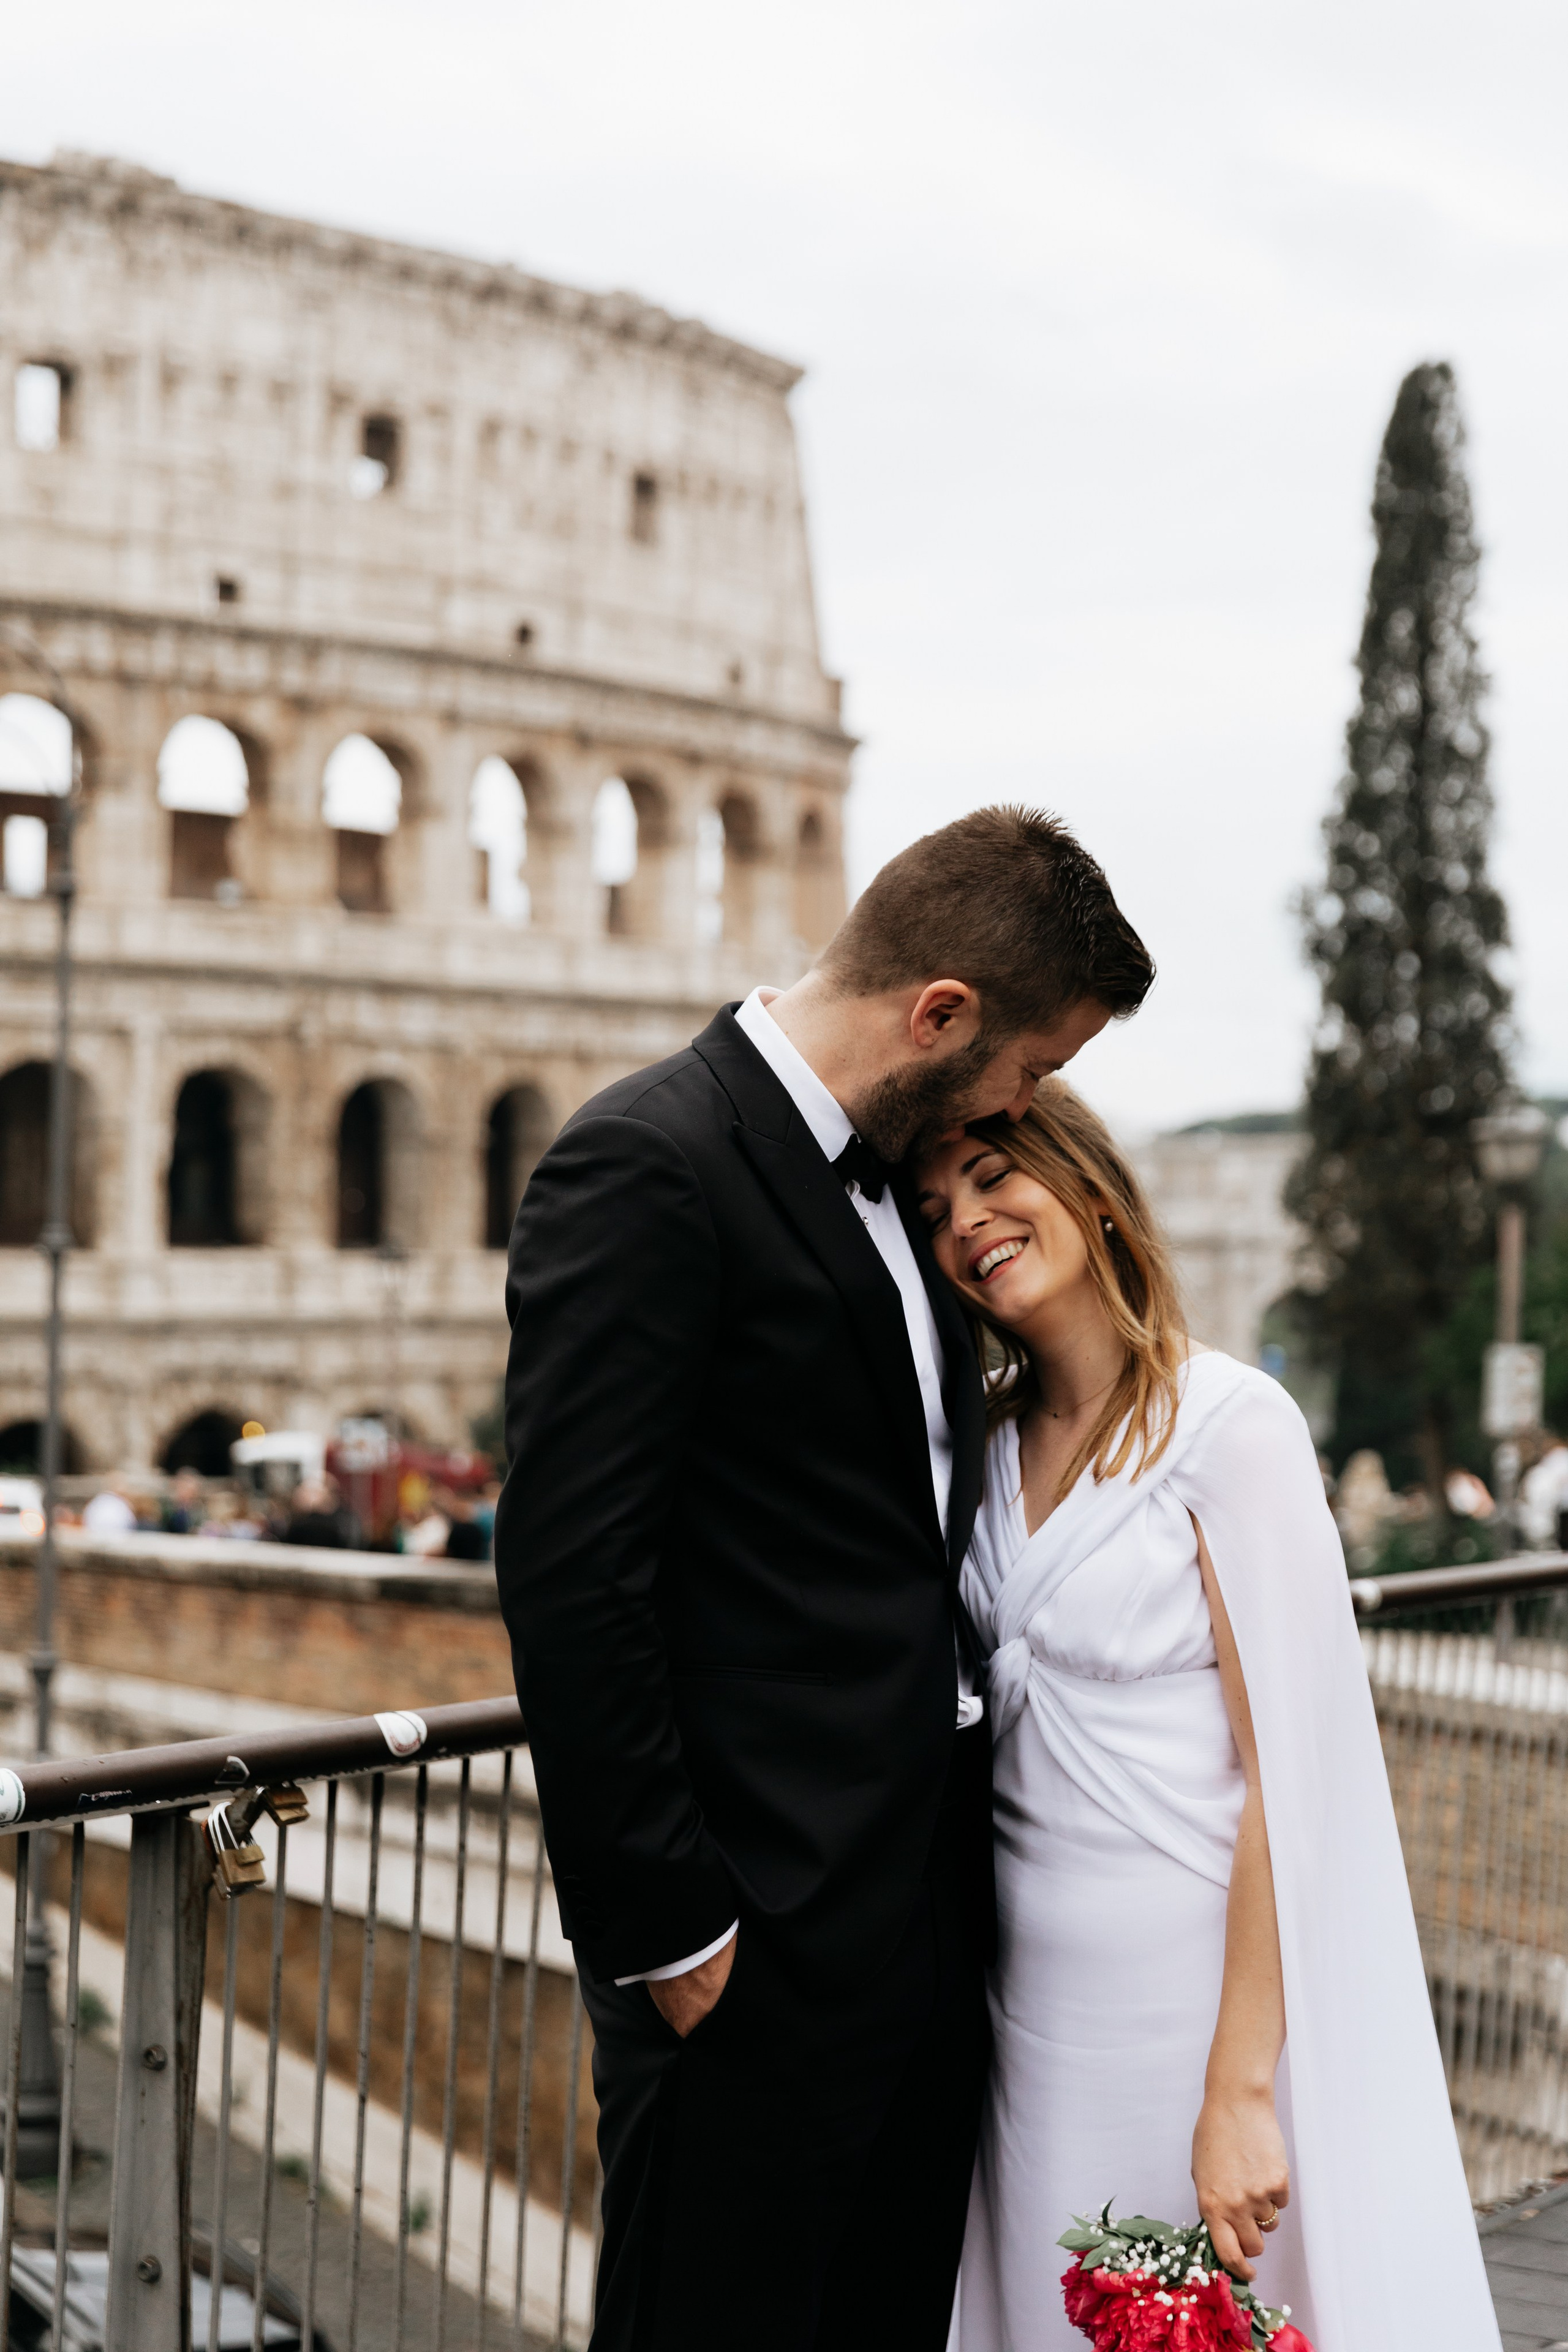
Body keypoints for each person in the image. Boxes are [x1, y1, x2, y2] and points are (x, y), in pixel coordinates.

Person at [493, 807, 1153, 2352]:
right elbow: (573, 1576)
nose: (1029, 1102)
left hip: (919, 1949)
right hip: (746, 1960)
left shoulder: (906, 1196)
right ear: (940, 1014)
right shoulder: (643, 1164)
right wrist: (672, 1939)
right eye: (1031, 1067)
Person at [914, 1082, 1500, 2352]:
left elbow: (1284, 1781)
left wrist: (1236, 2090)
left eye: (991, 1175)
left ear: (1082, 1182)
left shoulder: (1231, 1426)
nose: (967, 1221)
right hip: (1019, 2006)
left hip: (1183, 2005)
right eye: (935, 1206)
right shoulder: (983, 1447)